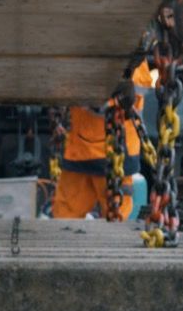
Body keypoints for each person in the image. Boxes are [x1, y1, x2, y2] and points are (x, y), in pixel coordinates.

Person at [52, 60, 154, 219]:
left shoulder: (133, 62)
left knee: (115, 218)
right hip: (80, 152)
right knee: (63, 215)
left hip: (114, 155)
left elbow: (125, 97)